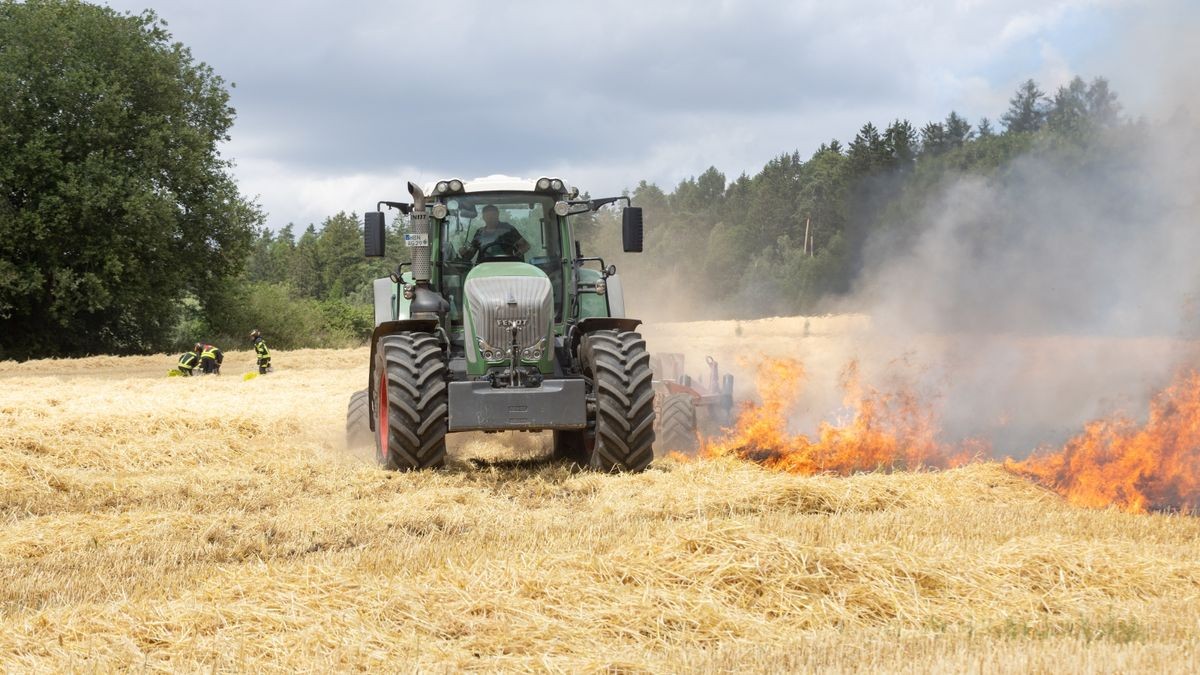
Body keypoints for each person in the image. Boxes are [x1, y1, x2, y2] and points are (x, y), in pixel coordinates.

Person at [458, 204, 531, 262]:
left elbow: (525, 246)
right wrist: (464, 252)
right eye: (488, 215)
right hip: (483, 268)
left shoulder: (508, 229)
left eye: (493, 215)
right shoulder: (479, 233)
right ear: (483, 217)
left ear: (497, 215)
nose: (490, 218)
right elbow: (470, 255)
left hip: (507, 266)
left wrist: (515, 257)